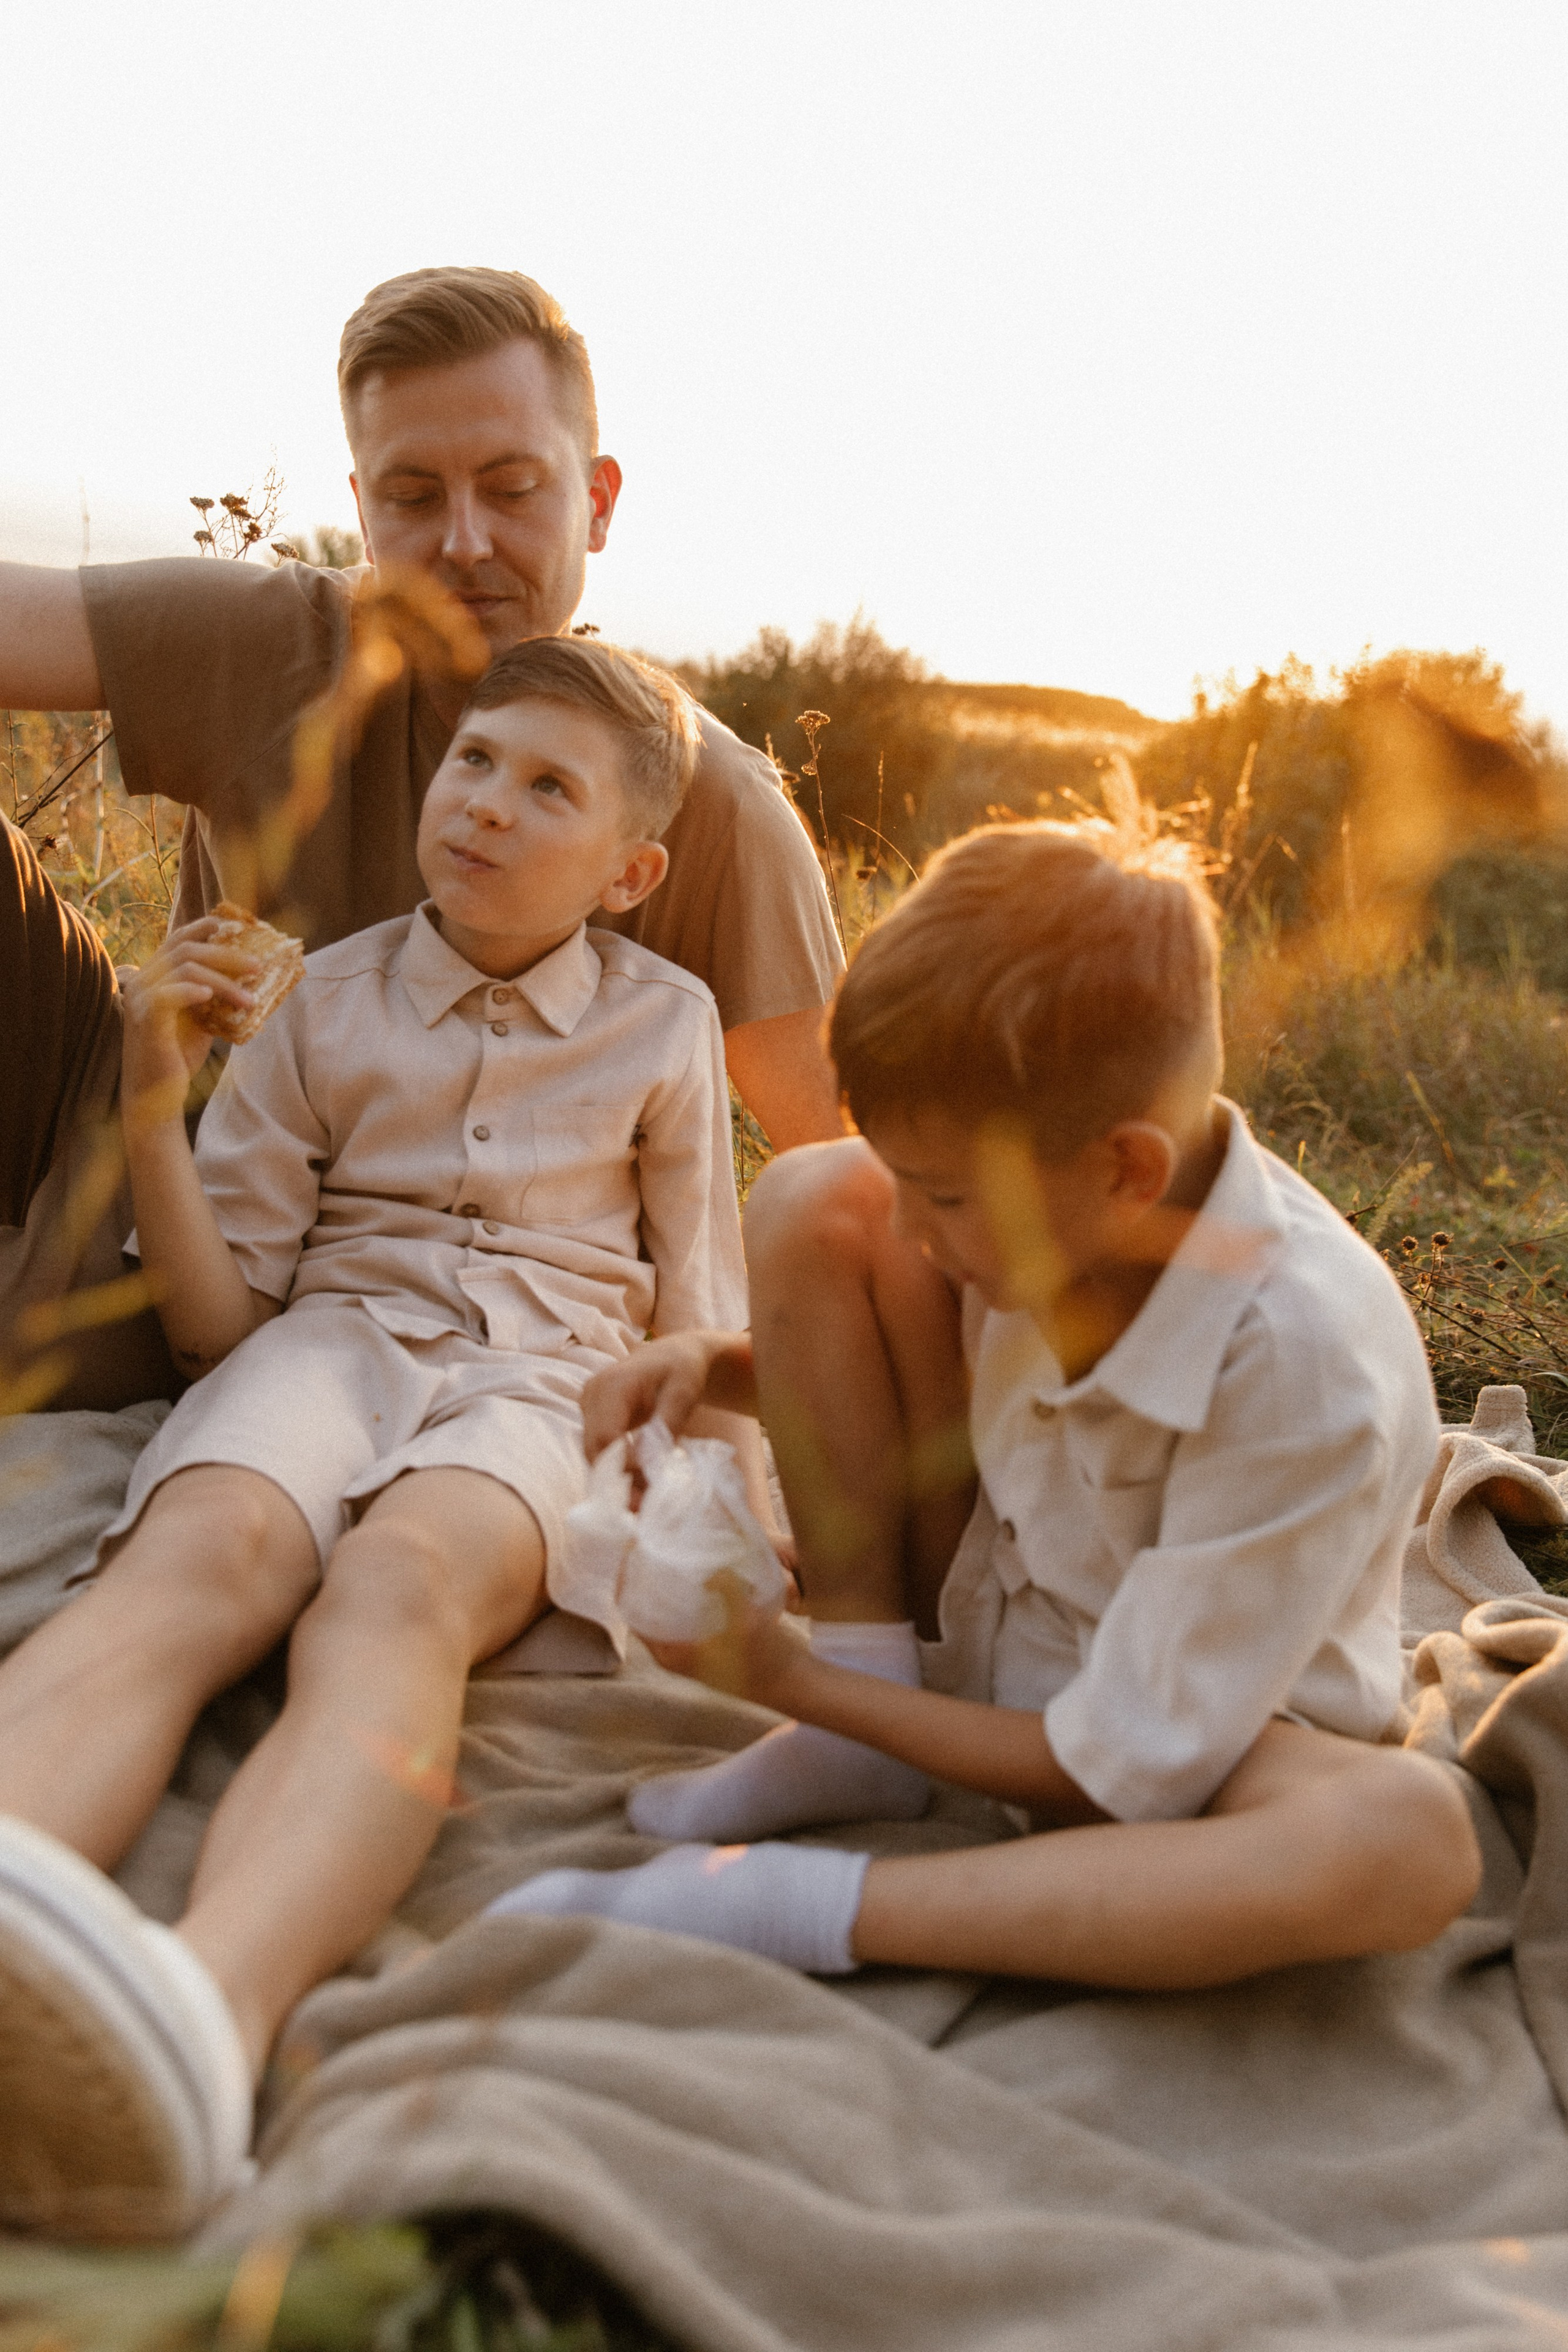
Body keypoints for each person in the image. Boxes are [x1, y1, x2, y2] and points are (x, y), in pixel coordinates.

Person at [0, 636, 758, 2237]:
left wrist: (724, 1516)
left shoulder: (668, 1025)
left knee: (397, 1594)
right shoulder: (323, 1000)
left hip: (547, 1386)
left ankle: (202, 2020)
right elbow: (219, 1323)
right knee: (196, 1565)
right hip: (327, 1342)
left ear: (631, 871)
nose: (484, 800)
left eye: (545, 784)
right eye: (473, 759)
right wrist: (152, 1097)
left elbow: (695, 1303)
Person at [489, 821, 1482, 1987]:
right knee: (821, 1194)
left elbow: (1125, 1765)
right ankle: (862, 1734)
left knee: (1409, 1841)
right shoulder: (1061, 1216)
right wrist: (712, 1366)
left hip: (1203, 1757)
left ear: (1127, 1172)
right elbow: (963, 1371)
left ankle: (797, 1904)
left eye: (949, 1196)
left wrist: (786, 1676)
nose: (916, 1230)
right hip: (990, 1623)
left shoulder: (1305, 1372)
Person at [0, 265, 843, 1410]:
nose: (463, 542)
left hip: (333, 1296)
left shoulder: (704, 804)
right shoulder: (282, 643)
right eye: (412, 496)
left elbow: (841, 1160)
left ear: (596, 499)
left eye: (511, 489)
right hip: (126, 1110)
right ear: (361, 510)